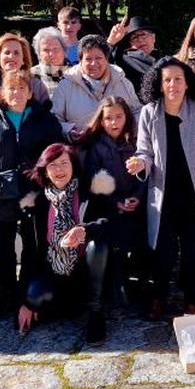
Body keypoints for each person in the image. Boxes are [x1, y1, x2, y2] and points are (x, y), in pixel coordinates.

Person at [130, 57, 195, 318]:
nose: (172, 84)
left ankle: (193, 301)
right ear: (159, 85)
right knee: (162, 252)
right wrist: (141, 163)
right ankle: (159, 298)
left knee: (194, 252)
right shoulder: (149, 112)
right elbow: (144, 151)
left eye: (178, 79)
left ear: (187, 84)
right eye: (167, 80)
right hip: (163, 196)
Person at [0, 69, 64, 317]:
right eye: (11, 88)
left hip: (35, 192)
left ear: (30, 92)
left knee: (33, 245)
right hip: (1, 193)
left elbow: (57, 152)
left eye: (22, 88)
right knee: (1, 247)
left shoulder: (45, 120)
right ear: (2, 92)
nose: (16, 93)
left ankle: (29, 296)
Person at [17, 144, 111, 343]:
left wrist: (84, 229)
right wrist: (24, 301)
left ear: (73, 166)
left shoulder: (89, 191)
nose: (59, 170)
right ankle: (60, 305)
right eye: (53, 165)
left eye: (64, 163)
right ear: (45, 170)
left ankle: (95, 312)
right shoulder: (37, 203)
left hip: (86, 270)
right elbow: (30, 253)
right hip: (54, 272)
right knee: (34, 297)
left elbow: (107, 223)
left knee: (98, 246)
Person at [78, 96, 147, 303]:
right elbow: (93, 182)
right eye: (109, 118)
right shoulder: (95, 147)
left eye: (119, 117)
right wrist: (115, 201)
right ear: (101, 120)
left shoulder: (136, 142)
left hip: (135, 202)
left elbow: (146, 176)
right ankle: (117, 283)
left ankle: (142, 281)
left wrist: (137, 197)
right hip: (107, 205)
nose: (114, 123)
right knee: (112, 234)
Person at [51, 33, 141, 139]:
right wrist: (70, 131)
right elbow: (54, 119)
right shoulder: (66, 85)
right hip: (81, 149)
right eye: (88, 59)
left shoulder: (122, 82)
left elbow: (137, 112)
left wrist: (127, 129)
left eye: (98, 58)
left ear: (106, 59)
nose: (94, 64)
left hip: (120, 148)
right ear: (80, 61)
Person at [110, 17, 161, 95]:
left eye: (143, 35)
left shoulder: (164, 60)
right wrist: (111, 42)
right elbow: (103, 63)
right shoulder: (124, 59)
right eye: (134, 37)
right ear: (130, 43)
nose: (140, 40)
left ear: (153, 38)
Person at [31, 27, 70, 97]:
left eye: (55, 49)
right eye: (46, 50)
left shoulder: (77, 73)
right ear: (39, 53)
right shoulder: (31, 76)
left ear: (64, 50)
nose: (51, 54)